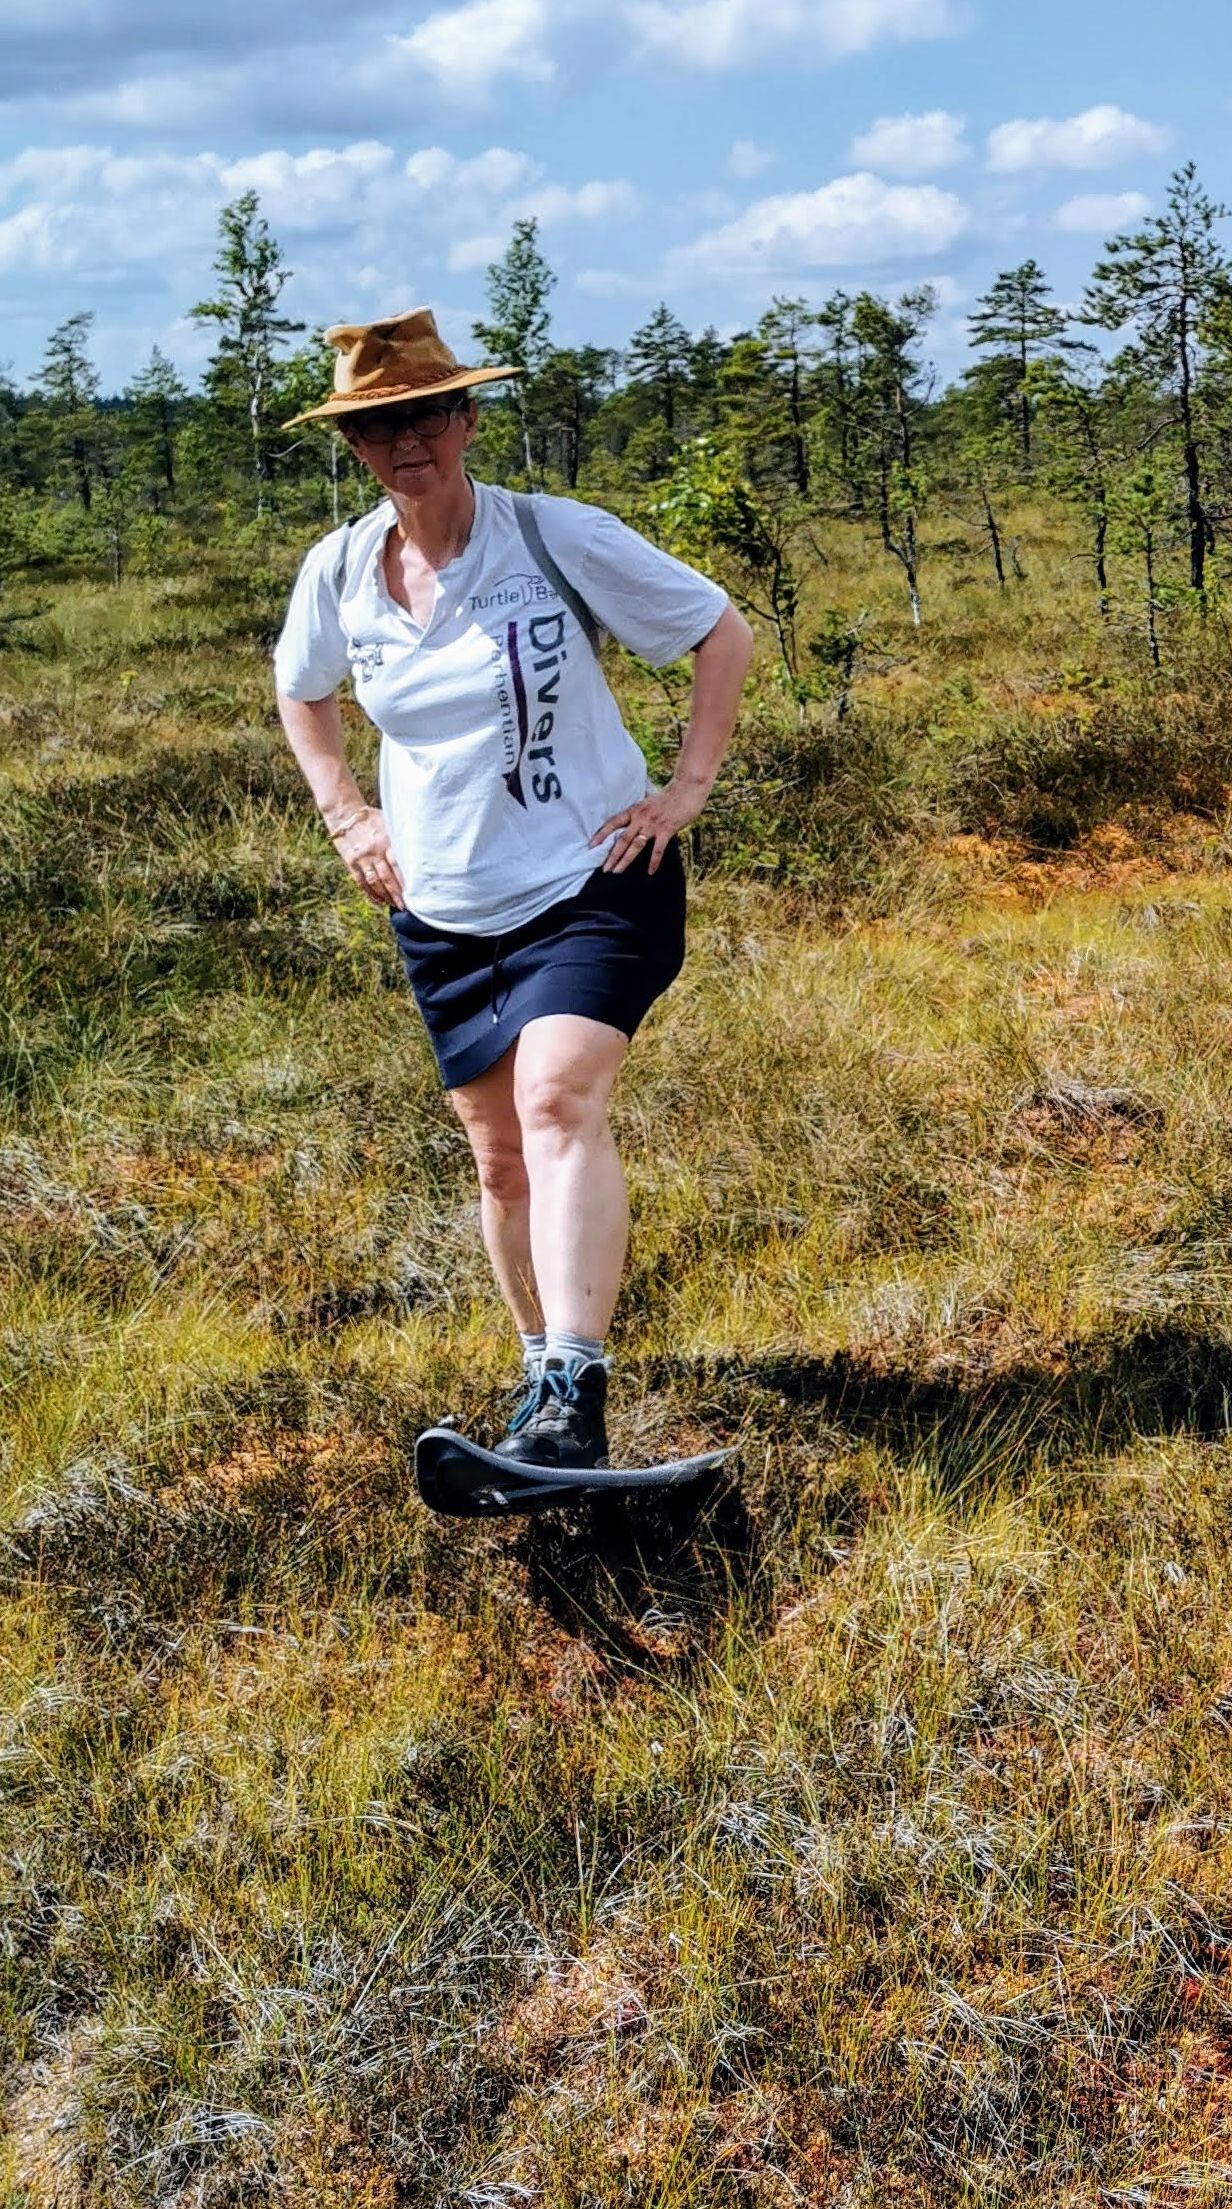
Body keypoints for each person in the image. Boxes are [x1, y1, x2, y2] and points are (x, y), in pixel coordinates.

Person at [272, 309, 754, 1471]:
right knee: (497, 1159)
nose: (404, 442)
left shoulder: (552, 539)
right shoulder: (339, 570)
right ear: (356, 447)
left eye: (424, 414)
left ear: (466, 418)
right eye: (376, 426)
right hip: (441, 908)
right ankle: (541, 1394)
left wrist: (684, 788)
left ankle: (573, 1389)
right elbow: (302, 690)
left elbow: (717, 631)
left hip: (593, 880)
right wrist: (347, 812)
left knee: (556, 1101)